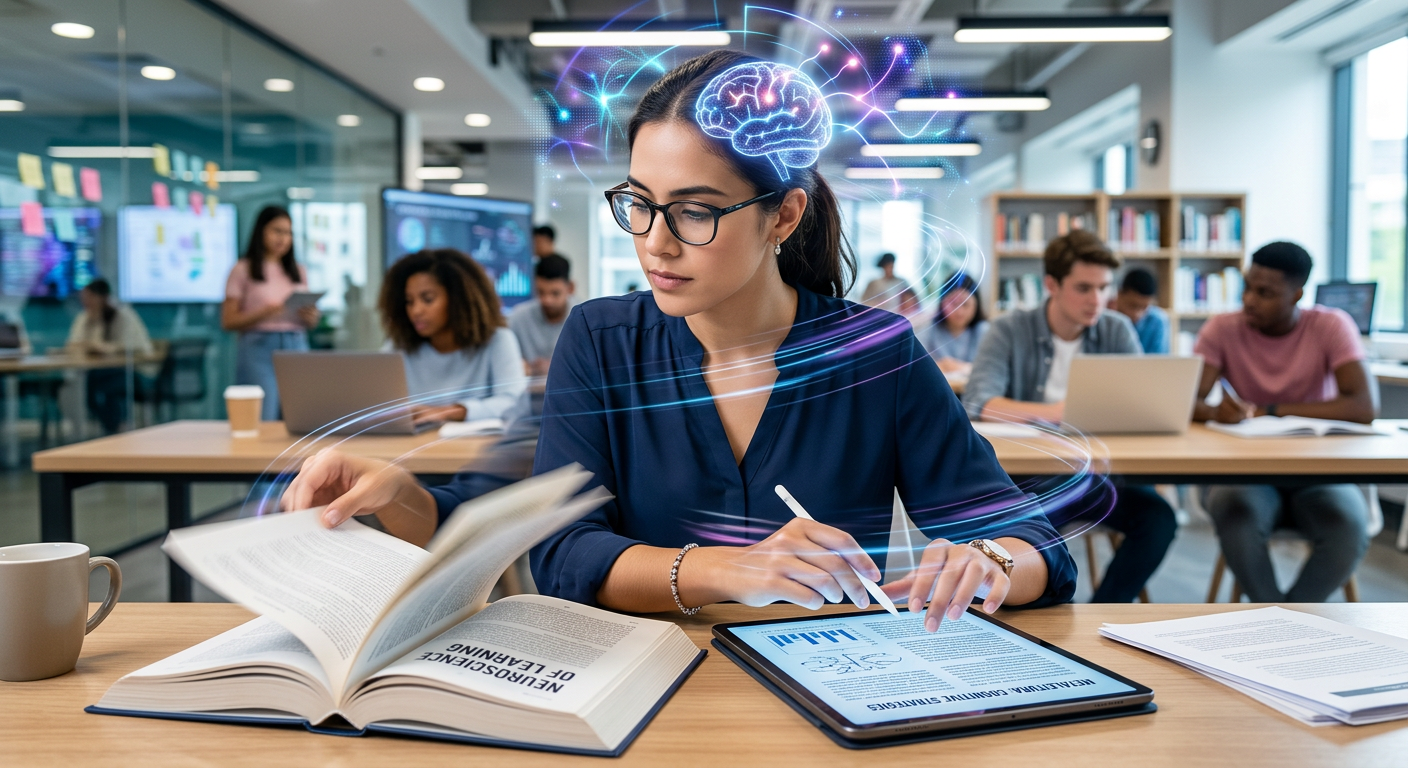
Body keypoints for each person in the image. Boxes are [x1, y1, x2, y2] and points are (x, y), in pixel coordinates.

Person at [282, 50, 1076, 632]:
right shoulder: (601, 339)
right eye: (639, 203)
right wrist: (724, 567)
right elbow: (561, 552)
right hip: (641, 682)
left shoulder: (874, 352)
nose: (656, 243)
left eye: (696, 211)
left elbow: (1035, 542)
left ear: (784, 216)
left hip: (834, 686)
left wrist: (991, 561)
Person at [963, 230, 1177, 603]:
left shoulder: (1116, 329)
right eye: (1083, 288)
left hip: (1100, 476)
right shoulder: (1009, 329)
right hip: (1033, 478)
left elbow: (1139, 403)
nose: (1097, 300)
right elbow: (980, 402)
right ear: (1052, 284)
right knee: (1020, 531)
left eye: (1103, 287)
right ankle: (1048, 619)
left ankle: (1104, 611)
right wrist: (1062, 414)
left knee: (1159, 519)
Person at [1192, 241, 1376, 602]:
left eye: (1265, 293)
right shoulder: (1223, 329)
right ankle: (1276, 618)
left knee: (1348, 525)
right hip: (1246, 473)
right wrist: (1216, 412)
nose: (1249, 300)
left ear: (1297, 295)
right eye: (1247, 287)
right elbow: (1186, 401)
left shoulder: (1331, 325)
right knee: (1236, 512)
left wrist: (1273, 409)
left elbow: (1363, 405)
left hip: (1319, 471)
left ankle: (1285, 621)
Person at [380, 248, 526, 425]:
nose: (416, 311)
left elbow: (514, 402)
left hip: (472, 449)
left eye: (428, 299)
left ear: (458, 299)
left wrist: (452, 411)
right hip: (409, 447)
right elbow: (375, 404)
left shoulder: (498, 340)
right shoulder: (398, 346)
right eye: (409, 302)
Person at [222, 206, 319, 421]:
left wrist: (311, 318)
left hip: (296, 344)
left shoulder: (298, 271)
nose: (283, 238)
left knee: (301, 417)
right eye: (277, 231)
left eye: (288, 233)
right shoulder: (242, 269)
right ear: (261, 232)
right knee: (264, 417)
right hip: (259, 348)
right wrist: (264, 313)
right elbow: (228, 320)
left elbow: (309, 319)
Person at [66, 278, 153, 434]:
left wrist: (104, 348)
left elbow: (135, 346)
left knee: (102, 387)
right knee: (88, 383)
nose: (86, 302)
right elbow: (74, 343)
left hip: (134, 373)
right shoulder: (86, 317)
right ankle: (114, 429)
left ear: (102, 297)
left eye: (89, 298)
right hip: (101, 371)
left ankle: (116, 429)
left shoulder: (123, 315)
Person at [509, 254, 577, 376]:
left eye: (555, 293)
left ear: (570, 288)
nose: (547, 300)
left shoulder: (584, 319)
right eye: (541, 292)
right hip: (529, 393)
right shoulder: (518, 317)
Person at [920, 273, 988, 376]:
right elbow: (916, 366)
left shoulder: (985, 331)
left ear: (976, 304)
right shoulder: (929, 331)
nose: (959, 311)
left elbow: (991, 370)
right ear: (942, 303)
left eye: (965, 304)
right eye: (953, 304)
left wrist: (951, 366)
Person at [1112, 267, 1169, 354]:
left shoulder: (1157, 321)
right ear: (1119, 295)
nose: (1137, 314)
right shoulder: (1103, 318)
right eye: (1132, 306)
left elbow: (1159, 362)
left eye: (1144, 307)